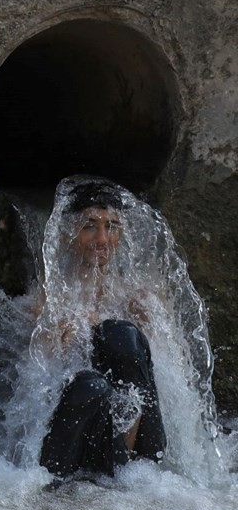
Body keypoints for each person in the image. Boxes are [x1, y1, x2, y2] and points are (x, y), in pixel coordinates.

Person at [35, 177, 167, 477]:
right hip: (77, 435)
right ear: (69, 233)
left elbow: (161, 378)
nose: (102, 239)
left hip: (142, 448)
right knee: (88, 386)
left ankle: (129, 468)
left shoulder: (136, 298)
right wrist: (61, 337)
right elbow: (37, 383)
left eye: (112, 227)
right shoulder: (46, 302)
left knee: (121, 336)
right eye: (89, 226)